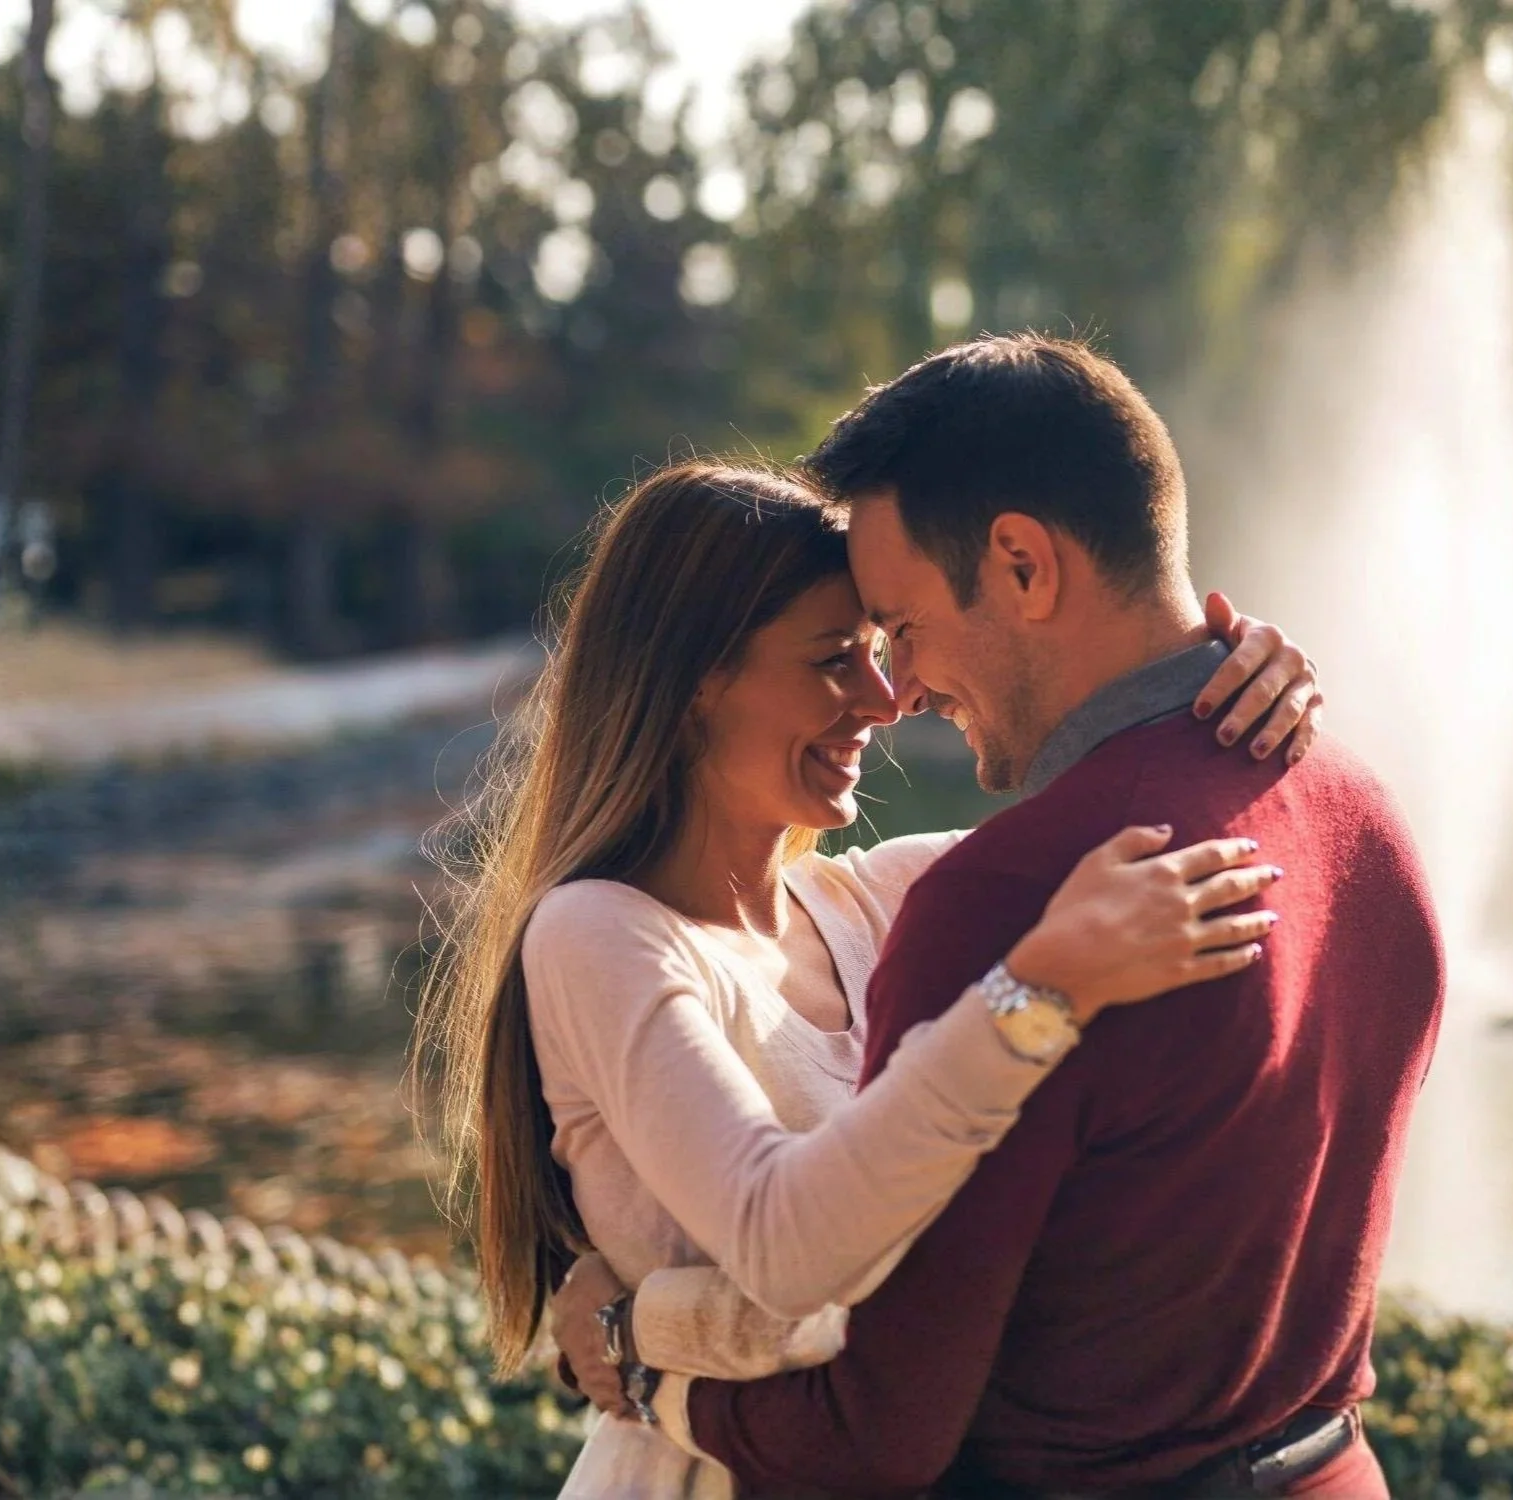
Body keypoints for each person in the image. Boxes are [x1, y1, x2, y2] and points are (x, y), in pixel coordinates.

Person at [606, 336, 1442, 1499]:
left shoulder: (1008, 903)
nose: (897, 694)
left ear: (1021, 566)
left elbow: (874, 1440)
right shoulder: (1364, 813)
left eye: (902, 629)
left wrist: (636, 1372)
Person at [415, 451, 1324, 1499]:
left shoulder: (888, 899)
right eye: (832, 661)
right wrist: (1038, 993)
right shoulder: (598, 935)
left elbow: (1134, 815)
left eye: (884, 652)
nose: (885, 700)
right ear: (697, 682)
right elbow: (788, 1248)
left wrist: (1243, 674)